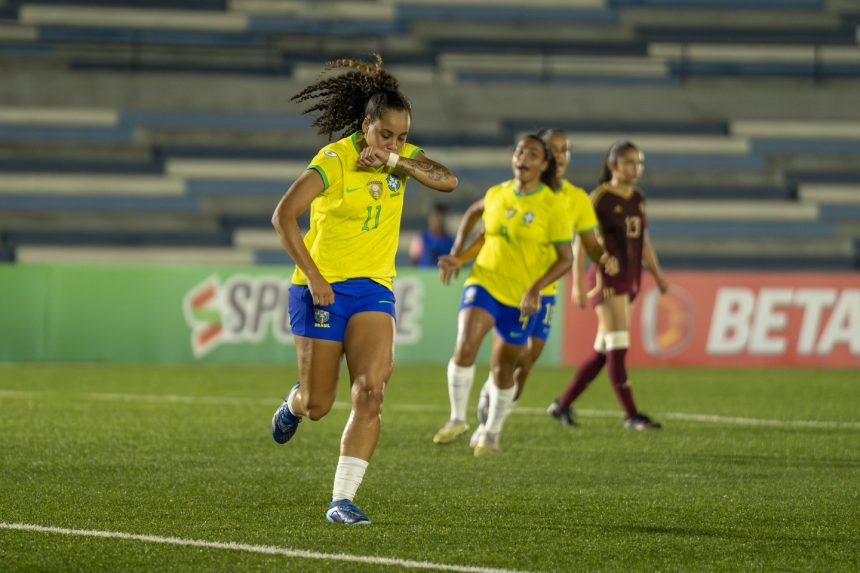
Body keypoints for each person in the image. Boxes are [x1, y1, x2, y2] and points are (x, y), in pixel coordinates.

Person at [269, 54, 457, 525]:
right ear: (365, 124)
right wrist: (313, 276)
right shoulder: (334, 160)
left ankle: (342, 500)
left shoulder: (401, 161)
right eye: (385, 134)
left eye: (402, 136)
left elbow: (448, 181)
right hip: (322, 290)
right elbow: (283, 216)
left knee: (371, 391)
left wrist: (397, 160)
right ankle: (295, 402)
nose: (394, 142)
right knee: (318, 405)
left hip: (374, 288)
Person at [444, 129, 619, 445]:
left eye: (566, 150)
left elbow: (589, 244)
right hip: (498, 284)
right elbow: (484, 224)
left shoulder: (574, 199)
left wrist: (604, 259)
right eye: (555, 150)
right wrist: (459, 255)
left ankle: (491, 418)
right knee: (485, 351)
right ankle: (474, 422)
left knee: (522, 365)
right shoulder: (508, 192)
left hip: (543, 295)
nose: (561, 155)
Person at [432, 133, 572, 457]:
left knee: (504, 369)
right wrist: (458, 255)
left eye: (533, 154)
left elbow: (567, 258)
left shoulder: (553, 206)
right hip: (484, 282)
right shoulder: (496, 194)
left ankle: (492, 431)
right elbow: (481, 228)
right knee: (465, 343)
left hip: (520, 296)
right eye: (520, 151)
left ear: (544, 164)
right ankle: (456, 417)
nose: (523, 158)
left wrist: (535, 289)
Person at [547, 140, 668, 430]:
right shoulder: (599, 198)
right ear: (613, 165)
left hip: (631, 278)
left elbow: (644, 242)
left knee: (604, 350)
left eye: (639, 162)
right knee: (619, 345)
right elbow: (581, 240)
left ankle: (561, 404)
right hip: (607, 279)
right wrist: (577, 283)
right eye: (629, 162)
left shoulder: (638, 197)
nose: (635, 168)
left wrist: (658, 276)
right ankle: (631, 415)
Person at [409, 203, 455, 267]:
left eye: (441, 216)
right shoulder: (419, 240)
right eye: (436, 216)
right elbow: (414, 264)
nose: (438, 220)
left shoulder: (452, 242)